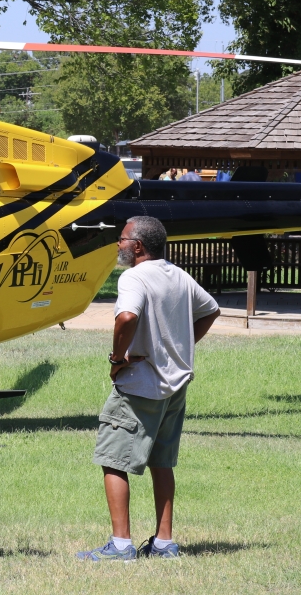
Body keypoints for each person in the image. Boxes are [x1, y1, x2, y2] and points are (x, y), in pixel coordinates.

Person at [77, 216, 220, 561]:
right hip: (175, 385)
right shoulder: (178, 275)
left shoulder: (133, 277)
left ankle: (121, 545)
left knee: (112, 460)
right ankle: (164, 542)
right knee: (162, 462)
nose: (118, 244)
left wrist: (117, 358)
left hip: (140, 384)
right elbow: (211, 309)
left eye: (121, 239)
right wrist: (180, 348)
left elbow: (126, 317)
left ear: (138, 246)